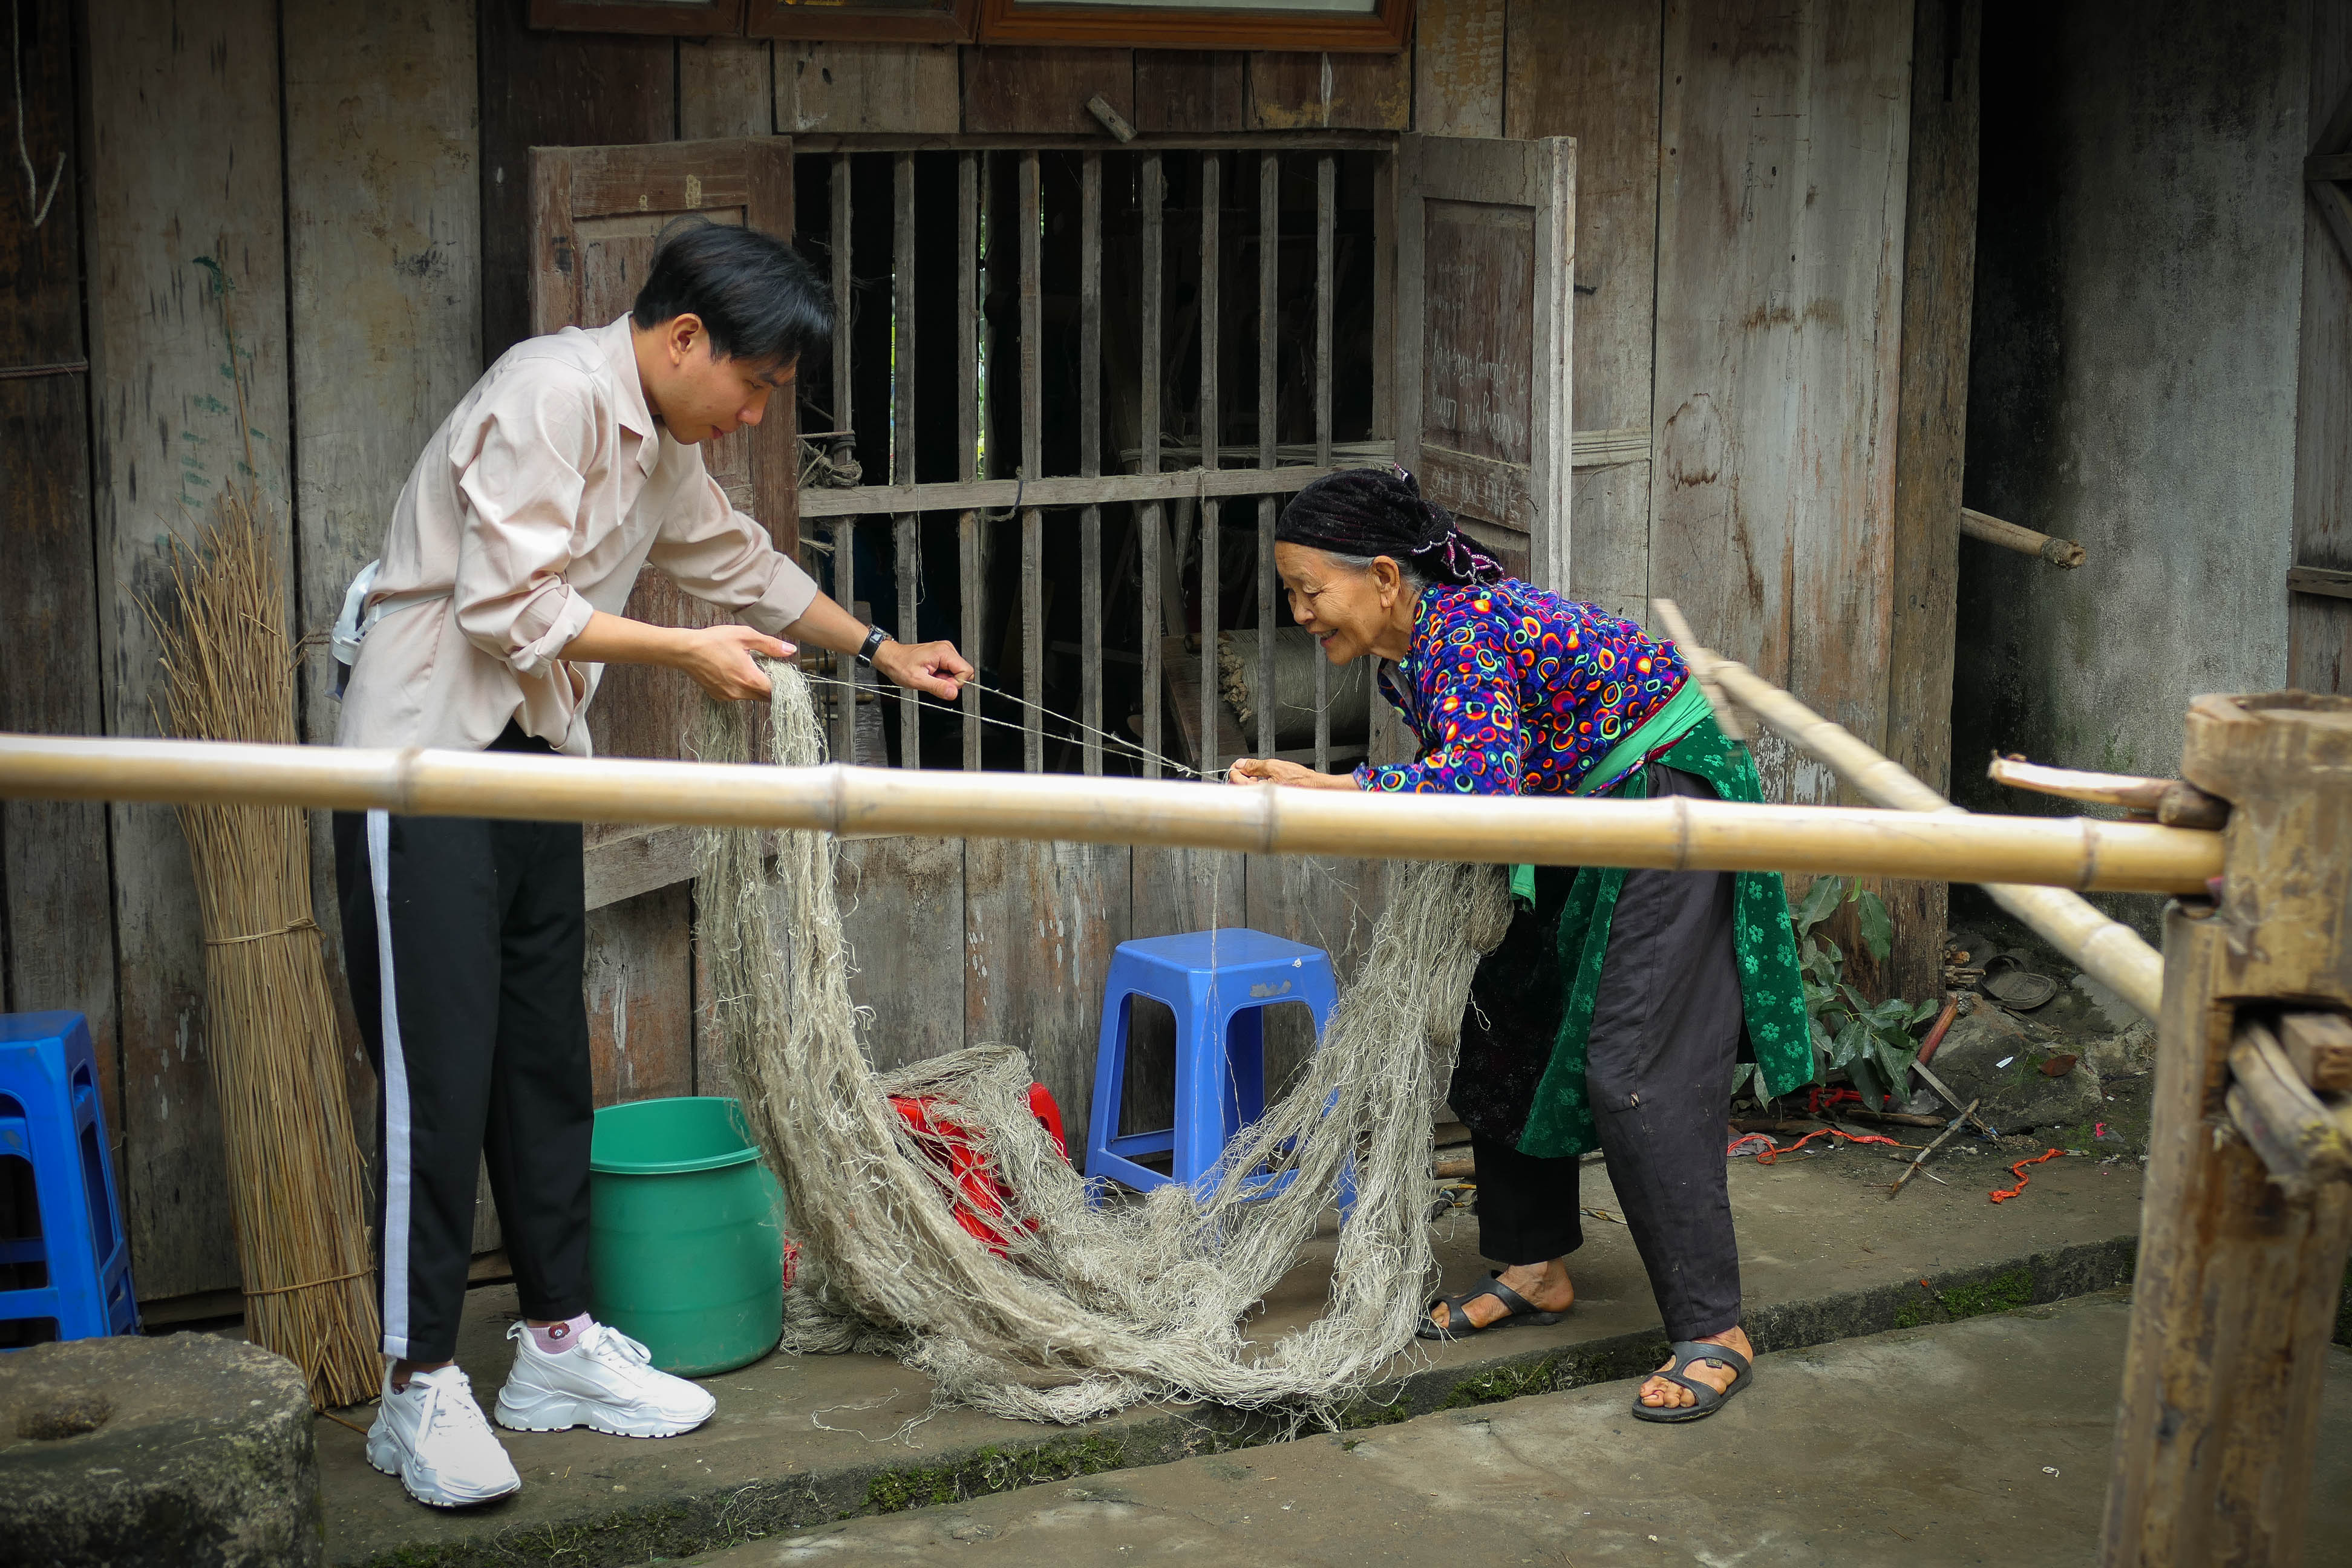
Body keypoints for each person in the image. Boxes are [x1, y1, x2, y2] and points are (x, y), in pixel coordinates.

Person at [333, 220, 973, 1507]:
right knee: (437, 1080)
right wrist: (687, 653)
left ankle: (556, 1344)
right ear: (686, 339)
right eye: (753, 385)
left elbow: (739, 562)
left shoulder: (662, 446)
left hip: (529, 756)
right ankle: (414, 1387)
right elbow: (505, 608)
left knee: (542, 1059)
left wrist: (881, 648)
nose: (749, 415)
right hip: (419, 755)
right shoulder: (549, 392)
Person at [1226, 467, 1811, 1424]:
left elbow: (1472, 792)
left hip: (1667, 803)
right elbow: (1478, 770)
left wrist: (1315, 789)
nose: (1300, 613)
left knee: (1632, 1066)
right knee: (1509, 1017)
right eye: (1291, 594)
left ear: (1381, 577)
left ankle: (1716, 1330)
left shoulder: (1459, 631)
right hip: (1579, 811)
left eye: (1308, 591)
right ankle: (1534, 1267)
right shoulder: (1415, 649)